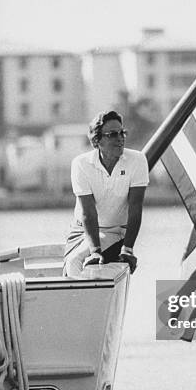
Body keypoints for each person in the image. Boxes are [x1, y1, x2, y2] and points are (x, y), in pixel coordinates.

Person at [63, 110, 149, 277]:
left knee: (76, 262)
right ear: (97, 140)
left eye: (122, 132)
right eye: (112, 134)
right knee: (73, 263)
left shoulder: (138, 160)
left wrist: (128, 249)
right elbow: (88, 212)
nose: (120, 138)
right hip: (81, 230)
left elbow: (136, 208)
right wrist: (95, 252)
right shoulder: (80, 164)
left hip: (116, 231)